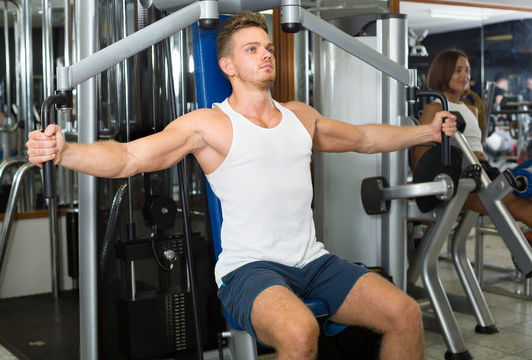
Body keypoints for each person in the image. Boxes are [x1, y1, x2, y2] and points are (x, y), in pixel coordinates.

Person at [28, 11, 458, 360]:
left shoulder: (300, 116)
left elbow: (363, 139)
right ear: (228, 66)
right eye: (252, 49)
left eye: (268, 48)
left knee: (404, 313)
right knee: (301, 333)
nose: (266, 55)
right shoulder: (210, 126)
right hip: (249, 271)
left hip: (314, 262)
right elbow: (130, 157)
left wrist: (426, 134)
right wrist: (64, 152)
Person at [410, 48, 532, 240]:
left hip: (485, 171)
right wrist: (426, 195)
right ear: (443, 72)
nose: (465, 75)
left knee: (526, 200)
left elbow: (478, 146)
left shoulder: (472, 109)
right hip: (463, 178)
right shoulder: (434, 108)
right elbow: (421, 159)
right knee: (521, 207)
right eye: (458, 70)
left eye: (467, 70)